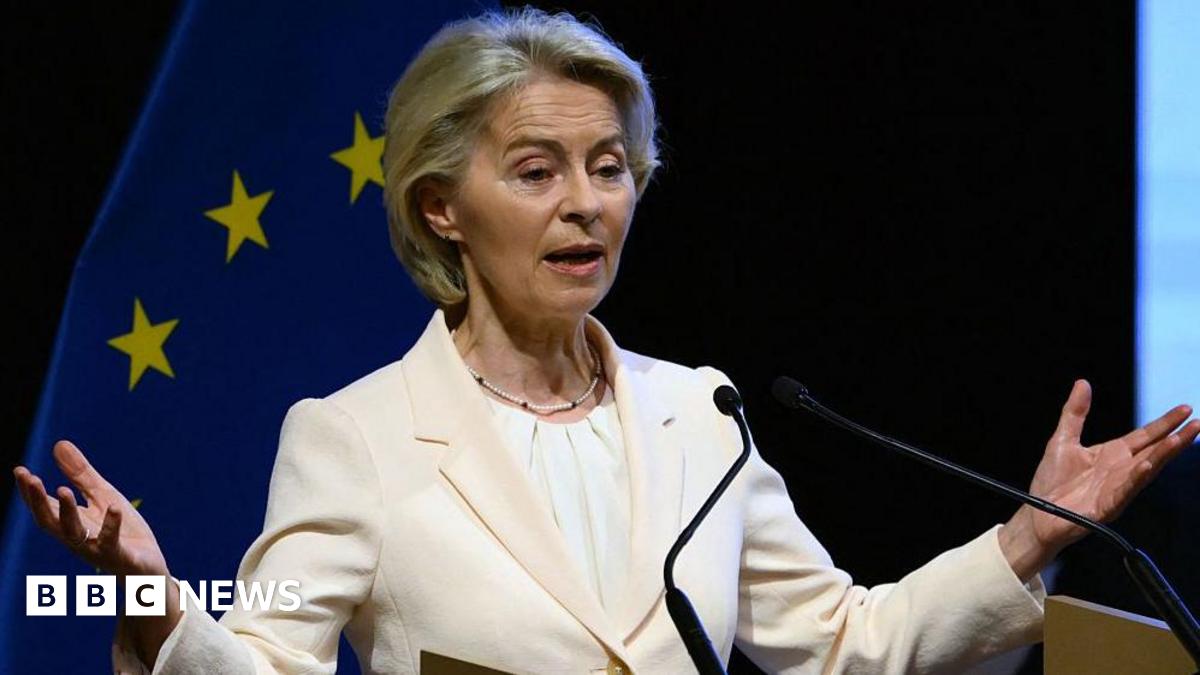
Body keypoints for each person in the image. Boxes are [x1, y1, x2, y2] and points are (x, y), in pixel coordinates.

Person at [11, 8, 1199, 674]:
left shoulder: (703, 414)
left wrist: (1027, 538)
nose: (587, 204)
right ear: (441, 206)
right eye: (537, 172)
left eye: (611, 167)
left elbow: (849, 646)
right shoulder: (354, 437)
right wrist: (160, 606)